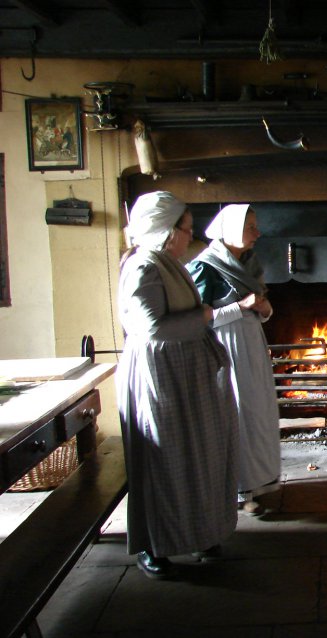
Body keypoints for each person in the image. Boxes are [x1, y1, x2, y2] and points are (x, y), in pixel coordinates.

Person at [116, 191, 239, 580]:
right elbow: (152, 327)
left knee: (195, 454)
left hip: (183, 373)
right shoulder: (143, 268)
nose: (191, 236)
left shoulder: (169, 262)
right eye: (186, 229)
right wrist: (203, 315)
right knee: (163, 460)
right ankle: (155, 544)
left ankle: (199, 532)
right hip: (160, 375)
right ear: (167, 232)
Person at [188, 205, 280, 515]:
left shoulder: (249, 264)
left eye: (256, 226)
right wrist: (241, 307)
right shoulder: (205, 267)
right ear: (230, 230)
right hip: (225, 350)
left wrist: (264, 311)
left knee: (257, 413)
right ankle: (238, 490)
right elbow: (198, 320)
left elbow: (261, 310)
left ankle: (257, 481)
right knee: (237, 415)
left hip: (251, 347)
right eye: (250, 227)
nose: (258, 233)